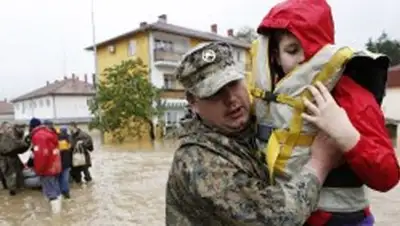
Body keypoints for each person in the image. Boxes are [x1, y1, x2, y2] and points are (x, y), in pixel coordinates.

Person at [251, 0, 400, 225]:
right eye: (291, 50)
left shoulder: (353, 98)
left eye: (312, 49)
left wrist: (347, 136)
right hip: (287, 214)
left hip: (340, 220)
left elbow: (387, 176)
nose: (302, 58)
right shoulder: (268, 98)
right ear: (275, 55)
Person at [165, 41, 343, 225]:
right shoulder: (197, 162)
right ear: (193, 102)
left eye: (233, 84)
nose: (231, 99)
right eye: (215, 92)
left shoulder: (250, 126)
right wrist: (320, 163)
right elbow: (278, 219)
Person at [29, 118, 62, 213]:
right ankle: (60, 213)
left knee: (51, 192)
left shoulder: (38, 136)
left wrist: (39, 169)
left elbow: (42, 155)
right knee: (56, 190)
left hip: (47, 169)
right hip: (55, 166)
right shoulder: (49, 133)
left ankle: (55, 218)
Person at [0, 122, 30, 196]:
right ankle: (12, 193)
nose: (10, 130)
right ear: (2, 129)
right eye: (8, 128)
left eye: (10, 128)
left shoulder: (11, 136)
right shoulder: (3, 137)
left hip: (13, 159)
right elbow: (9, 148)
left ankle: (16, 192)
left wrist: (26, 144)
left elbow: (19, 146)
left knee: (17, 176)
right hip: (5, 160)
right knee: (10, 176)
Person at [58, 126, 72, 199]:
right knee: (65, 178)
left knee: (60, 178)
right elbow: (70, 149)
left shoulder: (55, 138)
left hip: (58, 163)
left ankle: (60, 193)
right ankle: (66, 193)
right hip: (66, 162)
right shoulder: (68, 139)